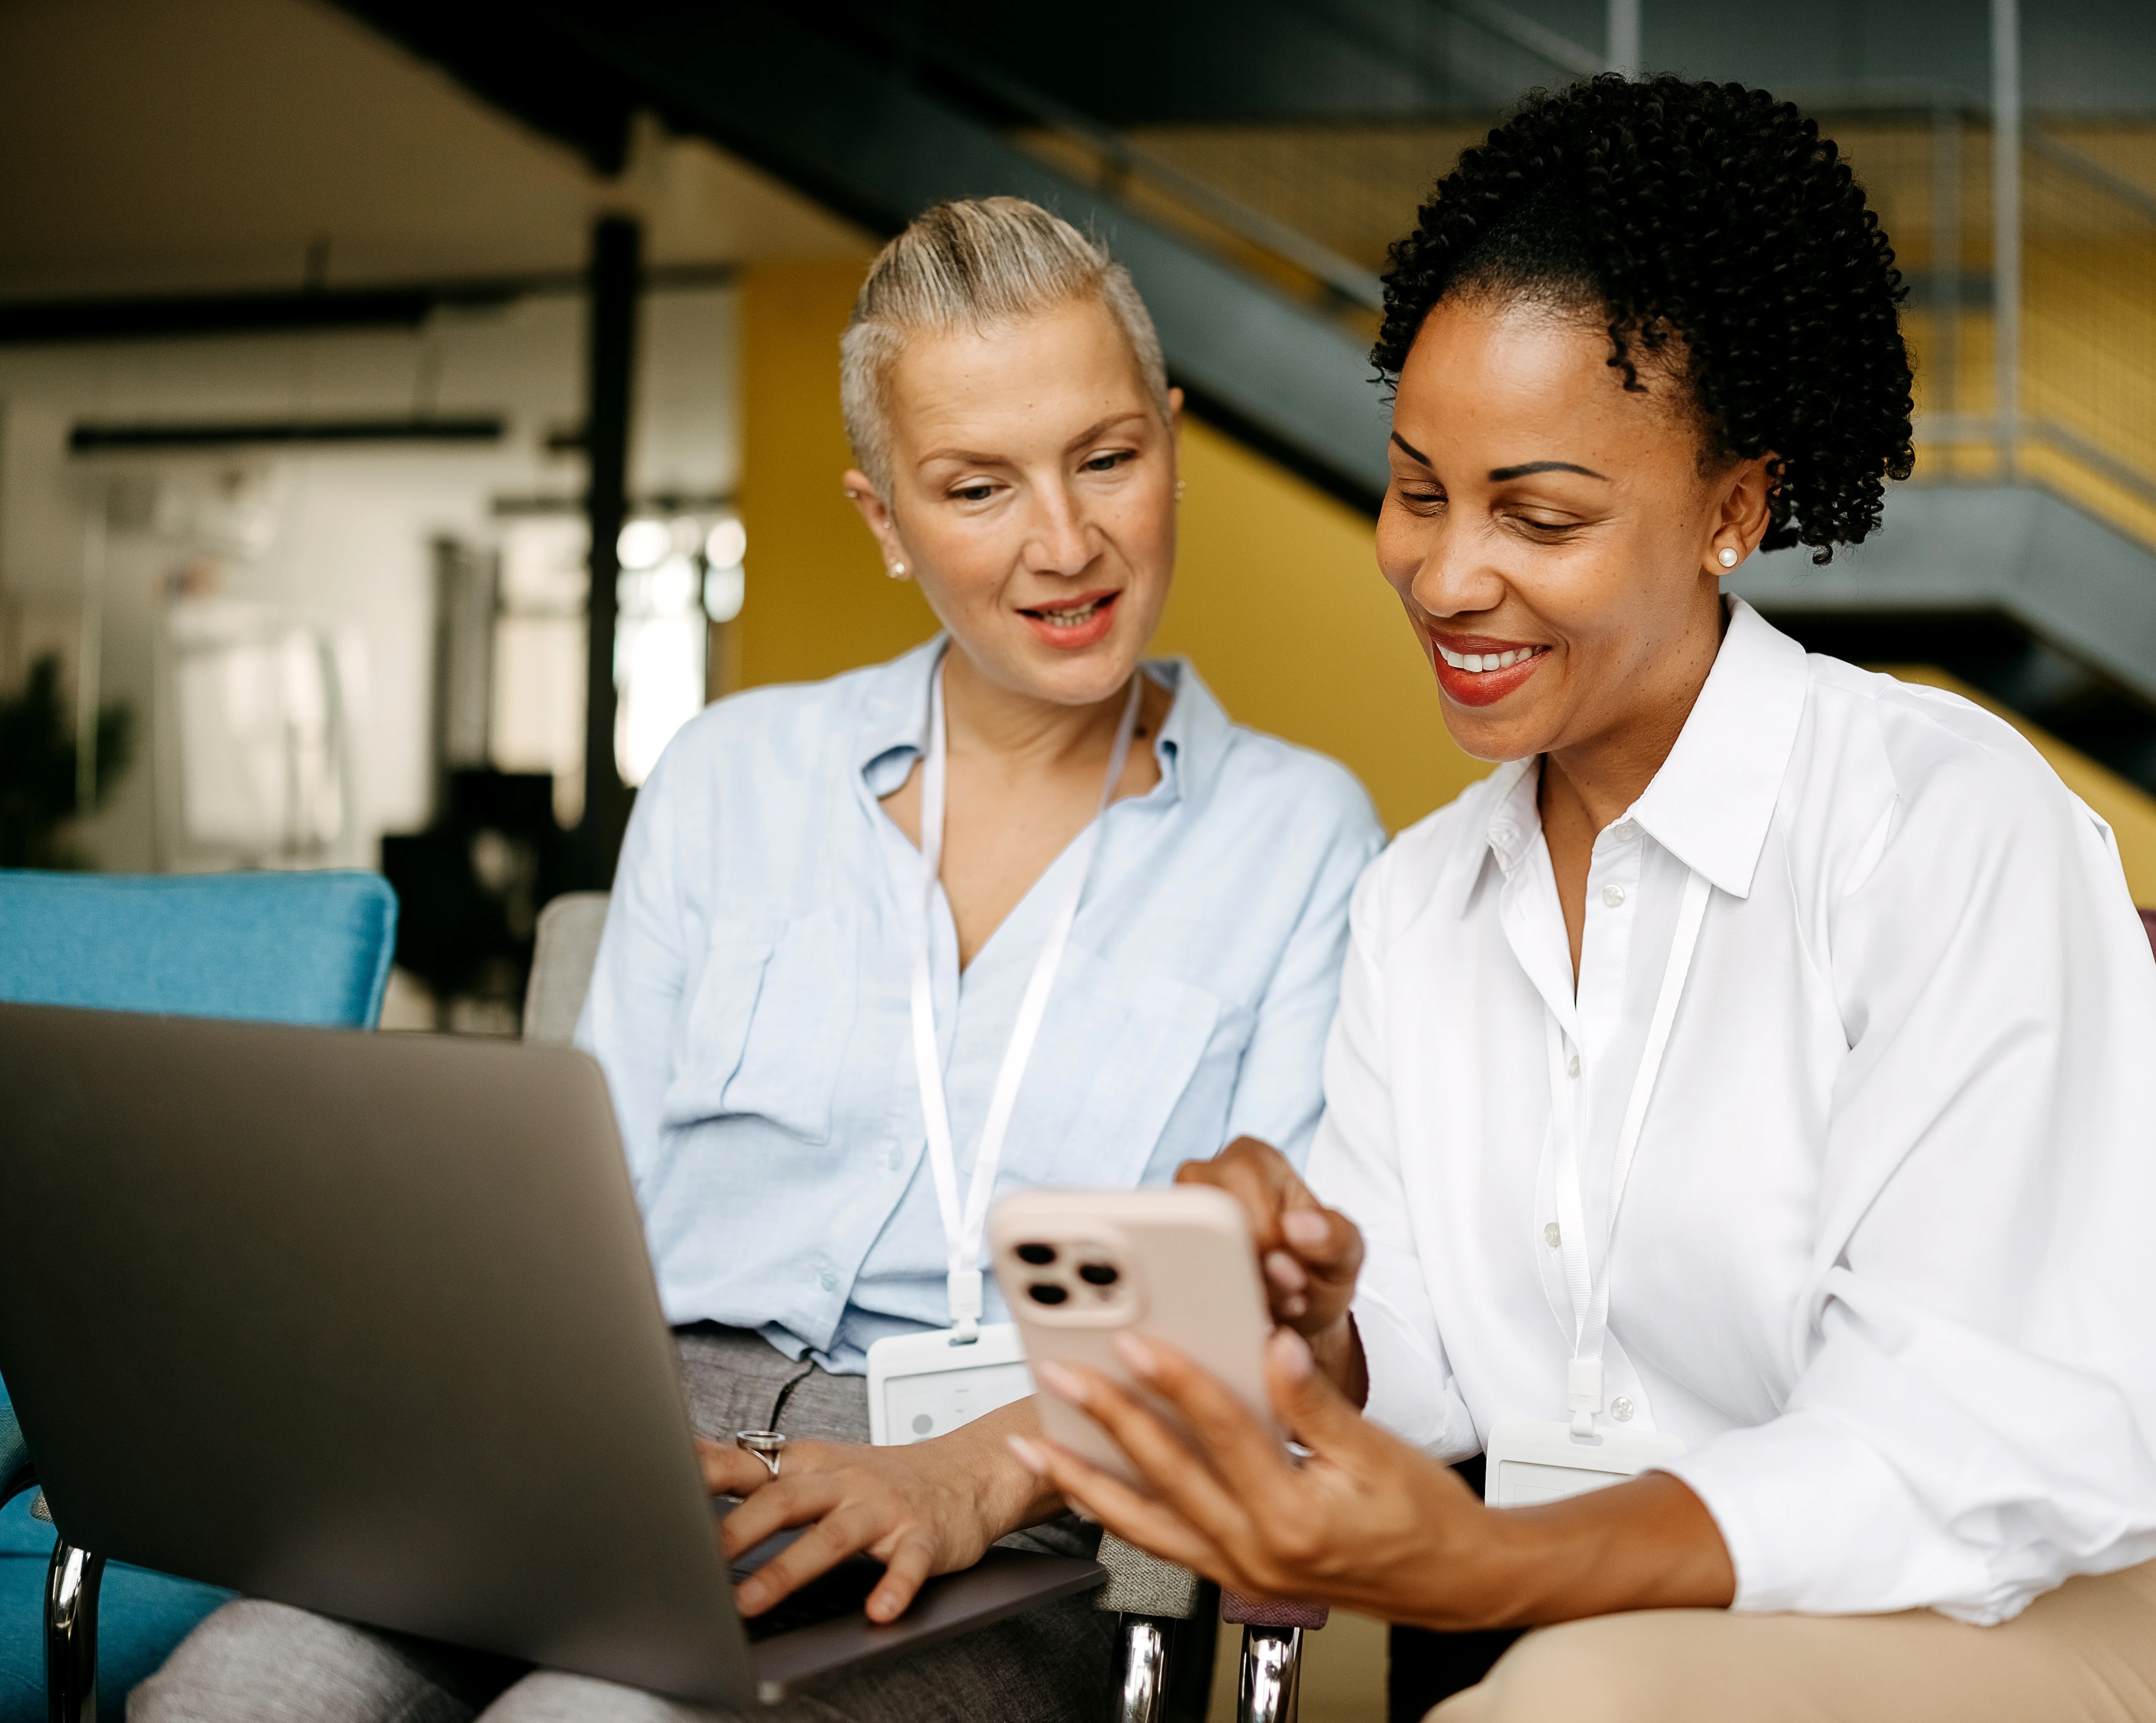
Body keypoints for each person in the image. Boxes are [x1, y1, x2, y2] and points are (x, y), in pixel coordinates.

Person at [1012, 79, 2156, 1723]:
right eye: (1419, 489)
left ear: (1734, 511)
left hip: (2096, 1598)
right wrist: (1316, 1316)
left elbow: (1960, 1436)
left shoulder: (1937, 824)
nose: (1446, 575)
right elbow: (1427, 1345)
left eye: (1543, 514)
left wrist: (1495, 1569)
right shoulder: (1422, 902)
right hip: (1681, 1619)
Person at [133, 197, 1381, 1722]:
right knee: (236, 1691)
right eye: (976, 487)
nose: (1067, 545)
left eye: (1108, 460)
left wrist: (976, 1475)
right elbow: (568, 1222)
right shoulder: (726, 776)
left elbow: (1261, 1324)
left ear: (1171, 443)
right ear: (883, 519)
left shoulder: (1302, 836)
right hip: (635, 1449)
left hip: (1014, 1510)